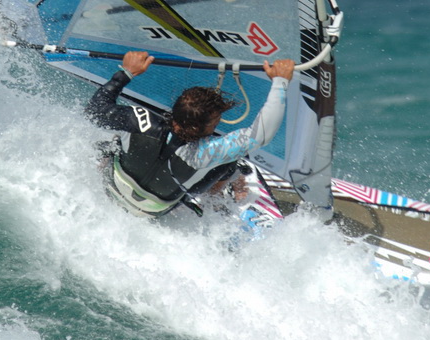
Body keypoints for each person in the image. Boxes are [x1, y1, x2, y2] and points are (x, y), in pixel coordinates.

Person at [85, 50, 295, 217]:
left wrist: (127, 71)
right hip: (153, 210)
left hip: (112, 186)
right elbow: (261, 135)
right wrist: (280, 82)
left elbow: (94, 110)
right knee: (231, 162)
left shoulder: (141, 121)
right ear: (207, 128)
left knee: (114, 140)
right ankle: (220, 199)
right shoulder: (206, 152)